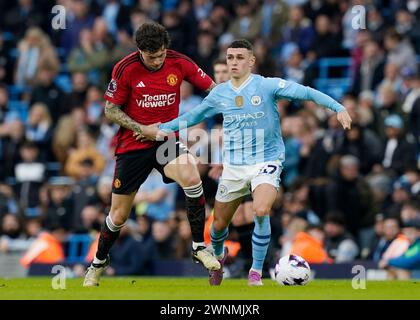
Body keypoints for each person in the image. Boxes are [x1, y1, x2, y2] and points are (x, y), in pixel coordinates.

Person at [142, 39, 352, 285]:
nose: (233, 62)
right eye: (230, 57)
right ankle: (218, 258)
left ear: (251, 61)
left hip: (267, 160)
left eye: (239, 57)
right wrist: (159, 129)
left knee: (261, 210)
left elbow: (305, 92)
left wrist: (338, 107)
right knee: (218, 225)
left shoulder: (267, 85)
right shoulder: (220, 93)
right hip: (234, 167)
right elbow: (192, 116)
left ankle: (255, 272)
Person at [83, 22, 220, 287]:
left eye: (161, 55)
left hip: (164, 141)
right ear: (140, 51)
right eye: (151, 56)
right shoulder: (125, 68)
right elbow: (110, 110)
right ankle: (98, 262)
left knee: (192, 176)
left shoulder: (179, 62)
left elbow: (213, 89)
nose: (157, 61)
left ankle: (198, 247)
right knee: (119, 216)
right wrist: (142, 128)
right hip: (132, 147)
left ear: (166, 48)